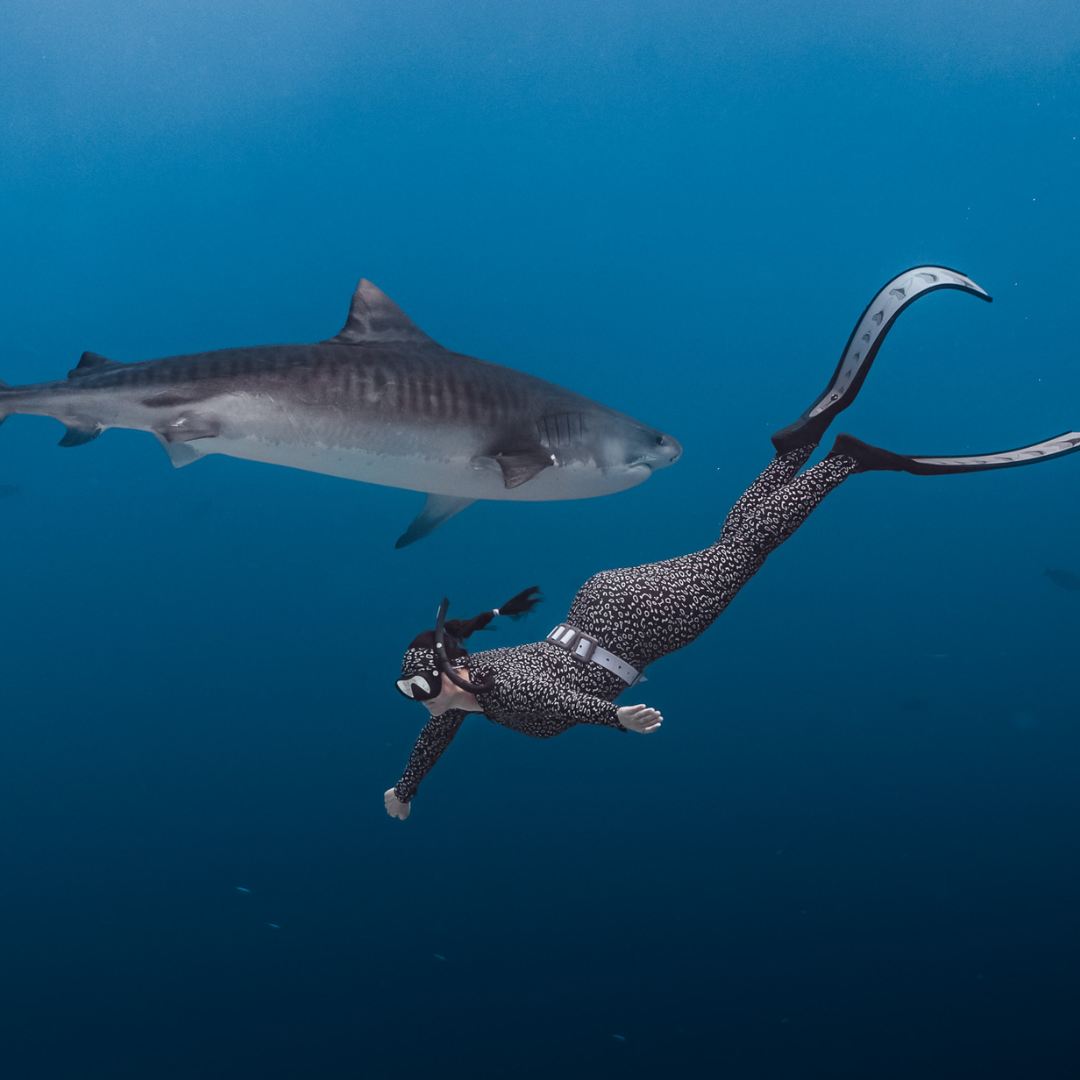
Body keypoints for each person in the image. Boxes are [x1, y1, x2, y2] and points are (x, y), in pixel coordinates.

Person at [384, 266, 1080, 819]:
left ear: (453, 673)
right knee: (733, 545)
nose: (418, 699)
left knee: (743, 554)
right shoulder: (466, 696)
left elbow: (549, 698)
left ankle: (844, 461)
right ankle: (796, 450)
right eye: (413, 689)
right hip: (605, 606)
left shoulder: (501, 686)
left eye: (419, 685)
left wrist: (616, 719)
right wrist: (405, 789)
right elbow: (438, 728)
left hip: (637, 628)